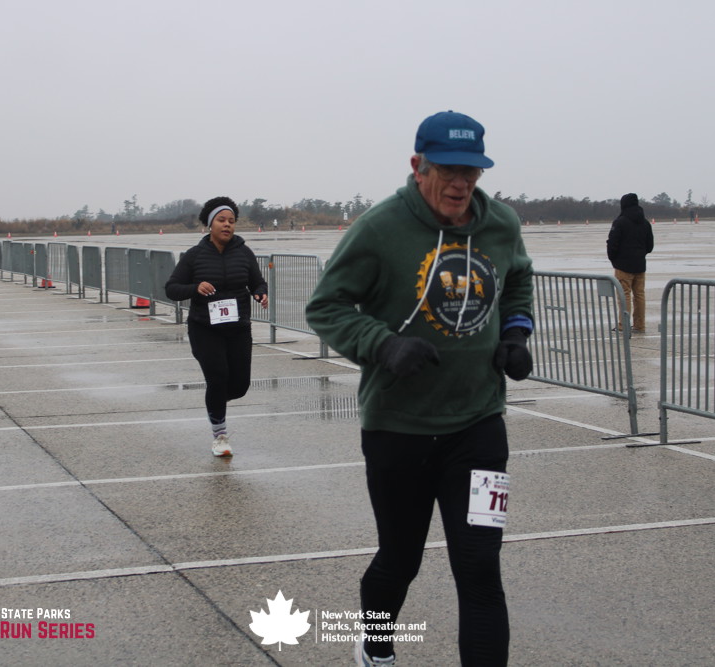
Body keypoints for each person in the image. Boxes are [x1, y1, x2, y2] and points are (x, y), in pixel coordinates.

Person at [306, 110, 535, 666]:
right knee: (400, 558)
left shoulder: (501, 223)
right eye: (447, 171)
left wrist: (515, 333)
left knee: (480, 566)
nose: (460, 184)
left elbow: (518, 279)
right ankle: (376, 648)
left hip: (480, 428)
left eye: (471, 172)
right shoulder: (380, 228)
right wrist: (382, 345)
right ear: (418, 166)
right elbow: (326, 306)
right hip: (399, 430)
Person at [165, 197, 269, 457]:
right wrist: (195, 287)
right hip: (205, 329)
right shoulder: (194, 255)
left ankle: (216, 399)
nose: (227, 225)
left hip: (238, 328)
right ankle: (219, 436)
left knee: (240, 386)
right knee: (217, 376)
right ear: (210, 224)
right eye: (222, 220)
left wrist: (260, 293)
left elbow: (257, 281)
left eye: (231, 221)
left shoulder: (244, 252)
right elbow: (172, 288)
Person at [606, 193, 654, 334]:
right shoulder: (645, 223)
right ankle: (639, 325)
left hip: (623, 265)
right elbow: (650, 246)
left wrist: (613, 259)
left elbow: (612, 243)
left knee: (624, 295)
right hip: (640, 264)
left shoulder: (620, 222)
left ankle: (624, 325)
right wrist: (640, 254)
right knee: (639, 295)